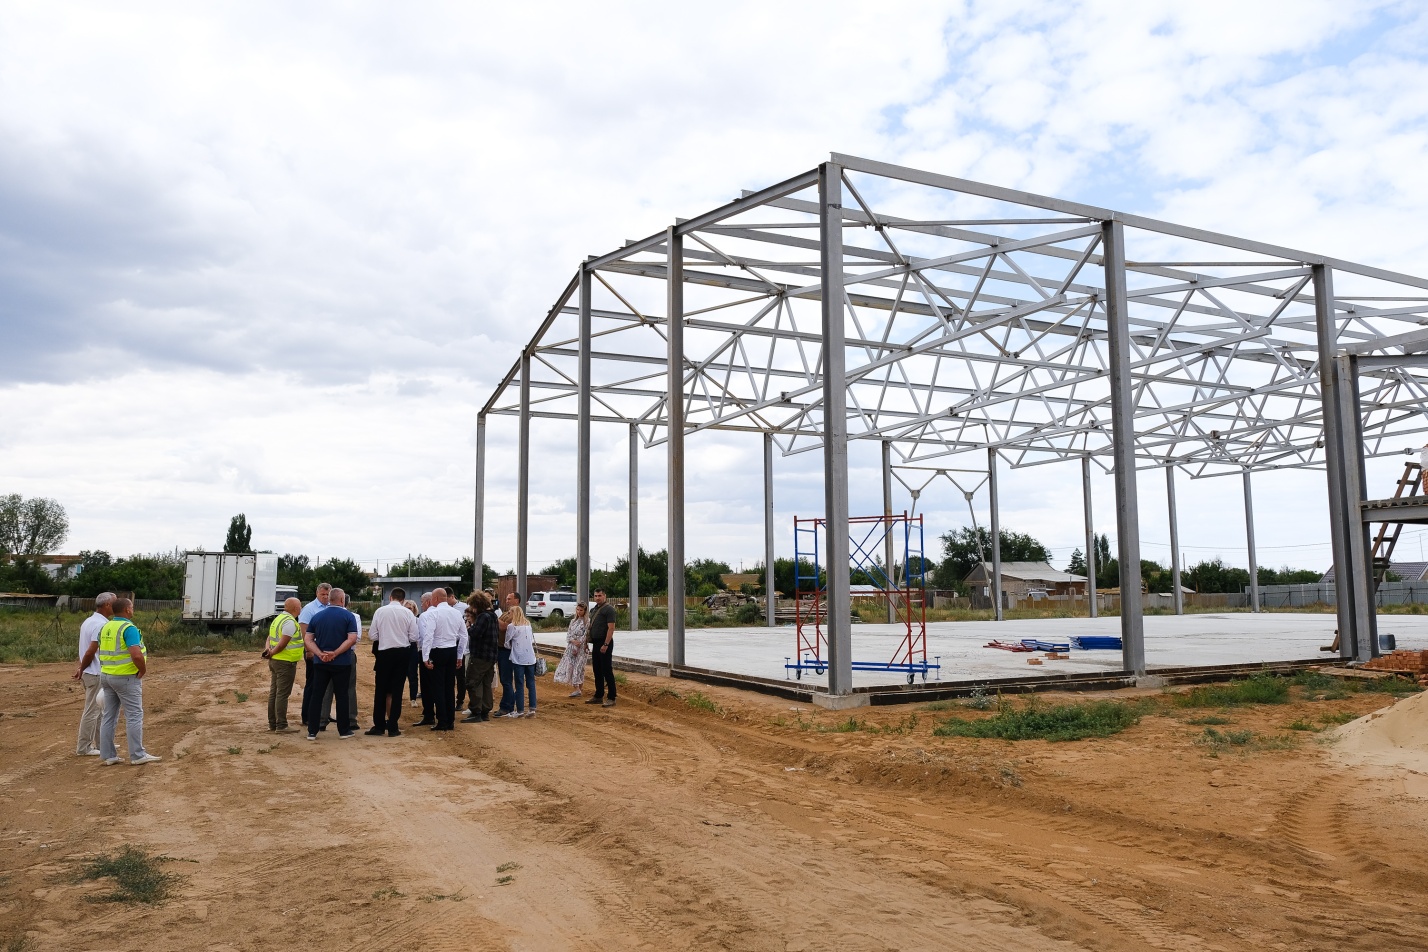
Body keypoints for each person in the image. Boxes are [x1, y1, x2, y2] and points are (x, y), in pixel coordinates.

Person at [96, 597, 160, 765]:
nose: (133, 610)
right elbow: (136, 654)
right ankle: (137, 755)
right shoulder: (128, 628)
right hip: (126, 677)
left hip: (106, 676)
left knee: (108, 716)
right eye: (131, 607)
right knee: (134, 715)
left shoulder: (105, 627)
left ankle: (108, 755)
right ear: (127, 610)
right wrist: (143, 669)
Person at [302, 587, 359, 740]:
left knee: (317, 695)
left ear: (329, 599)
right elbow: (351, 638)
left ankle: (312, 731)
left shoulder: (317, 616)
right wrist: (336, 653)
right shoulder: (348, 616)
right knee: (342, 695)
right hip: (342, 663)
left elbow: (308, 639)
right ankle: (344, 730)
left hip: (320, 662)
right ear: (342, 600)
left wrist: (319, 653)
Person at [367, 587, 418, 736]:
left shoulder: (380, 611)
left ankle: (379, 726)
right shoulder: (408, 613)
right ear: (403, 600)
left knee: (381, 689)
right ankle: (393, 726)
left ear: (390, 597)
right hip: (402, 653)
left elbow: (372, 635)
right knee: (397, 690)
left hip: (384, 653)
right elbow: (414, 637)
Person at [72, 591, 115, 756]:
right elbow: (90, 651)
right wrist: (82, 668)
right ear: (107, 605)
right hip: (95, 672)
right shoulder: (101, 625)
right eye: (114, 603)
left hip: (91, 671)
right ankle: (84, 748)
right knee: (92, 710)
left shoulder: (89, 621)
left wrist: (82, 667)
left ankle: (101, 744)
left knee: (99, 709)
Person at [419, 587, 468, 731]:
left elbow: (428, 636)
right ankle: (450, 721)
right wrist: (460, 655)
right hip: (452, 650)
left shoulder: (433, 613)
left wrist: (425, 657)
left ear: (434, 599)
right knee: (449, 686)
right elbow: (464, 636)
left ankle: (442, 721)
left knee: (438, 687)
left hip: (437, 651)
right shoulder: (456, 613)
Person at [319, 590, 362, 733]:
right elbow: (356, 637)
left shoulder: (321, 615)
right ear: (343, 601)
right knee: (348, 688)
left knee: (326, 688)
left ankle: (322, 720)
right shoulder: (354, 617)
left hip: (325, 654)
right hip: (346, 654)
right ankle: (350, 720)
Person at [261, 597, 304, 732]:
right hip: (285, 662)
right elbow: (283, 643)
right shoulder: (290, 622)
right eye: (300, 606)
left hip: (275, 661)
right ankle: (281, 725)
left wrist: (268, 649)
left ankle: (272, 724)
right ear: (296, 609)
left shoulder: (278, 619)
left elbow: (269, 637)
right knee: (282, 694)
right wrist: (272, 652)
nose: (301, 608)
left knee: (274, 693)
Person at [298, 582, 333, 730]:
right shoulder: (309, 609)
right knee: (312, 684)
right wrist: (309, 650)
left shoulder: (331, 607)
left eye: (327, 594)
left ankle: (324, 714)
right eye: (322, 594)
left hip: (327, 652)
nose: (325, 597)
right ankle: (307, 716)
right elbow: (304, 631)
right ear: (317, 594)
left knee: (327, 686)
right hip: (314, 651)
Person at [462, 592, 499, 722]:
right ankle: (485, 711)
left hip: (480, 655)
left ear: (477, 605)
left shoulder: (483, 617)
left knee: (473, 682)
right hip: (490, 656)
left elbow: (476, 633)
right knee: (486, 683)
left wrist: (469, 626)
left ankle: (476, 711)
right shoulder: (492, 615)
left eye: (472, 605)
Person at [502, 605, 537, 718]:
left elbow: (507, 642)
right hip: (530, 657)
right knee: (531, 683)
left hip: (518, 657)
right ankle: (532, 708)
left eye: (509, 612)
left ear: (513, 613)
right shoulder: (528, 624)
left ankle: (520, 710)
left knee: (519, 683)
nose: (508, 615)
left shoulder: (512, 626)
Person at [587, 588, 618, 707]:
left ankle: (611, 697)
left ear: (604, 596)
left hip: (605, 643)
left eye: (600, 595)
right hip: (596, 643)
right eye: (595, 596)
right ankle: (599, 695)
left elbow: (611, 628)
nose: (597, 597)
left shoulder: (609, 609)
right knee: (597, 670)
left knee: (607, 670)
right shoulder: (594, 609)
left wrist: (606, 644)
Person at [553, 601, 590, 698]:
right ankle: (576, 688)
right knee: (570, 666)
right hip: (571, 647)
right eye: (577, 610)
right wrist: (573, 641)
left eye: (581, 610)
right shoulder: (573, 621)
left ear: (585, 611)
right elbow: (568, 635)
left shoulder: (587, 621)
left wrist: (580, 642)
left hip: (582, 648)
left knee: (579, 667)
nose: (579, 612)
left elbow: (586, 635)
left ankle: (579, 689)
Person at [413, 593, 438, 725]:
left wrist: (425, 656)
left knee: (427, 685)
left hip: (427, 651)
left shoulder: (425, 615)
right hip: (443, 651)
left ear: (428, 602)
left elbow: (424, 636)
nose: (421, 605)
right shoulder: (446, 613)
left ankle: (429, 714)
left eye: (422, 602)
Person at [495, 591, 520, 716]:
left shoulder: (516, 613)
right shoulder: (506, 613)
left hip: (507, 651)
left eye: (510, 598)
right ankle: (507, 704)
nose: (507, 601)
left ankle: (507, 706)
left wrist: (493, 616)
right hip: (501, 649)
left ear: (517, 600)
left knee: (506, 680)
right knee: (505, 679)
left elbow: (504, 627)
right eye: (506, 598)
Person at [403, 598, 422, 707]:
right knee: (399, 674)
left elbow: (419, 636)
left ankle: (413, 698)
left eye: (410, 608)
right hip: (401, 647)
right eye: (406, 608)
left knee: (413, 674)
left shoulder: (417, 620)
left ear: (414, 609)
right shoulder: (400, 619)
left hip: (413, 647)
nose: (409, 610)